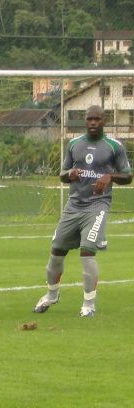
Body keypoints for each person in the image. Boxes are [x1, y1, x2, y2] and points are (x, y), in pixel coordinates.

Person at [33, 104, 131, 318]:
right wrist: (70, 174)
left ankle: (89, 304)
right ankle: (52, 295)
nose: (93, 123)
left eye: (97, 119)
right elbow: (62, 174)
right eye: (89, 119)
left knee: (87, 252)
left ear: (103, 121)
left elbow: (128, 176)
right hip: (73, 206)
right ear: (85, 121)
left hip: (97, 206)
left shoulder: (114, 146)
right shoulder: (74, 144)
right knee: (56, 253)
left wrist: (110, 177)